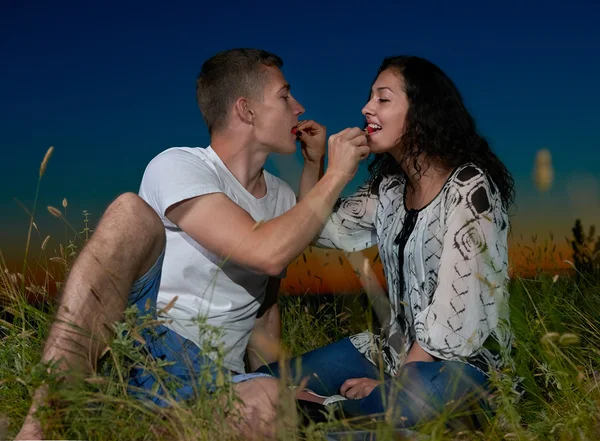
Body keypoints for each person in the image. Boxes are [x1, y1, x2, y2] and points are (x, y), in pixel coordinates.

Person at [15, 48, 370, 440]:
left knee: (270, 401)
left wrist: (314, 166)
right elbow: (264, 251)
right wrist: (338, 173)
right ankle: (43, 427)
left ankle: (133, 425)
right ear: (246, 110)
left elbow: (270, 292)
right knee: (130, 213)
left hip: (217, 381)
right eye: (285, 96)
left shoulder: (283, 198)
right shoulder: (180, 165)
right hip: (142, 348)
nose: (299, 107)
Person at [258, 55, 517, 430]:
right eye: (369, 98)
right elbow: (316, 230)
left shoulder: (469, 188)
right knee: (265, 380)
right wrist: (318, 164)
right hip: (392, 350)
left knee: (414, 401)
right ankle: (343, 412)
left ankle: (325, 409)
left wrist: (393, 385)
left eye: (383, 98)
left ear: (421, 111)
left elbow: (452, 318)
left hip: (459, 363)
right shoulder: (390, 189)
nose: (366, 108)